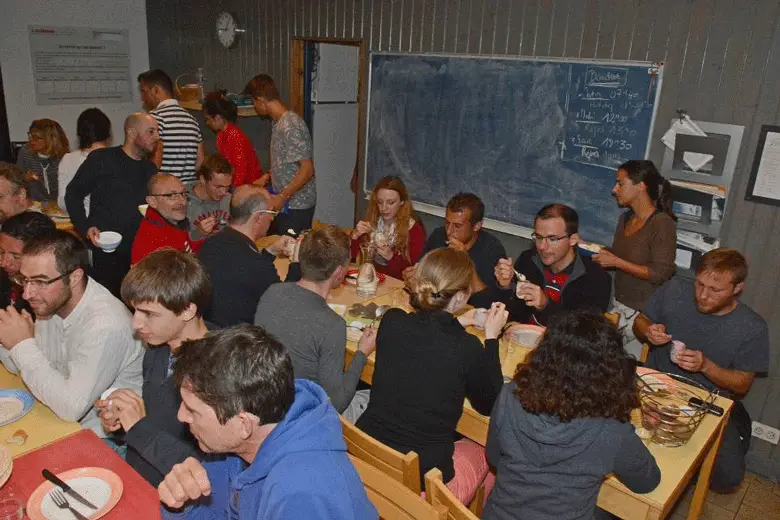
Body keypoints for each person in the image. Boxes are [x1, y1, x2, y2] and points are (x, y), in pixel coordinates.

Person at [157, 324, 378, 519]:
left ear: (243, 424)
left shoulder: (301, 498)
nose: (180, 416)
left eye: (193, 411)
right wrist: (182, 504)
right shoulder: (234, 446)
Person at [357, 248, 507, 503]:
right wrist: (492, 337)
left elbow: (428, 342)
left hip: (369, 456)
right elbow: (490, 404)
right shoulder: (467, 348)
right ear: (461, 296)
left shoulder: (392, 321)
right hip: (423, 481)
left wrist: (460, 321)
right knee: (489, 451)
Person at [483, 310, 660, 520]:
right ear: (612, 370)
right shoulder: (611, 428)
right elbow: (646, 482)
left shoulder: (511, 395)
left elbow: (494, 458)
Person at [634, 248, 768, 493]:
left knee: (728, 478)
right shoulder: (675, 290)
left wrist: (706, 366)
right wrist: (649, 331)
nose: (703, 296)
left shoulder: (752, 327)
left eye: (715, 290)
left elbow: (742, 385)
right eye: (699, 284)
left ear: (737, 288)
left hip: (704, 402)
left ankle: (685, 475)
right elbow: (640, 321)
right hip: (654, 384)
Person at [0, 231, 143, 437]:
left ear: (75, 277)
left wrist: (22, 345)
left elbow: (70, 407)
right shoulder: (53, 301)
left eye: (40, 281)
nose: (27, 293)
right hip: (58, 418)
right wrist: (12, 340)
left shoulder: (106, 325)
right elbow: (21, 366)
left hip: (104, 439)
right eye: (24, 280)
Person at [95, 249, 210, 487]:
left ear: (188, 310)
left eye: (149, 313)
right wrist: (122, 423)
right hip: (138, 477)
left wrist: (138, 427)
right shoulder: (158, 350)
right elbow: (157, 425)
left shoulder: (217, 371)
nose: (136, 323)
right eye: (135, 310)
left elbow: (205, 473)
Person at [255, 226, 377, 420]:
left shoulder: (272, 292)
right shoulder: (331, 325)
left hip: (265, 402)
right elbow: (337, 404)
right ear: (339, 272)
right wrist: (362, 353)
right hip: (300, 418)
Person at [65, 113, 159, 297]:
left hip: (141, 253)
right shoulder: (102, 159)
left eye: (157, 132)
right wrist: (85, 226)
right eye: (151, 131)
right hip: (107, 251)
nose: (157, 136)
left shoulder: (150, 169)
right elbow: (73, 193)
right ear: (132, 132)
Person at [592, 160, 677, 359]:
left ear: (641, 186)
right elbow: (621, 256)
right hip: (618, 306)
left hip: (644, 317)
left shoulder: (662, 223)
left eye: (621, 183)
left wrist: (616, 262)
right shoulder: (625, 219)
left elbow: (660, 273)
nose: (615, 190)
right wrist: (588, 246)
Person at [197, 185, 298, 327]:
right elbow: (284, 305)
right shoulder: (255, 264)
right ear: (258, 218)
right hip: (242, 340)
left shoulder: (211, 243)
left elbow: (244, 270)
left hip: (210, 331)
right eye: (271, 212)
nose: (272, 218)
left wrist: (270, 252)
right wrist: (296, 263)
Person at [493, 204, 611, 325]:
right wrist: (505, 286)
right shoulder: (528, 260)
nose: (542, 246)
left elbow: (583, 333)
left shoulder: (595, 278)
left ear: (573, 239)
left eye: (552, 239)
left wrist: (545, 305)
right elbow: (513, 313)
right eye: (538, 237)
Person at [244, 74, 316, 233]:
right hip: (287, 204)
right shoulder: (278, 123)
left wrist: (282, 197)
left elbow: (307, 169)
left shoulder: (289, 125)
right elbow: (284, 162)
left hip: (296, 206)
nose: (255, 107)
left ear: (261, 100)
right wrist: (266, 177)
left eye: (253, 102)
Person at [410, 193, 506, 308]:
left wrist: (466, 260)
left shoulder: (492, 249)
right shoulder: (438, 236)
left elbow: (486, 304)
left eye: (457, 226)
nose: (449, 231)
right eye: (447, 223)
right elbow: (420, 276)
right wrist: (412, 277)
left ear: (477, 226)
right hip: (437, 308)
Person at [350, 175, 425, 280]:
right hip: (374, 281)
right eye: (380, 202)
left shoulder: (414, 230)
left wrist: (391, 257)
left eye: (390, 202)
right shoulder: (372, 222)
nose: (384, 208)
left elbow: (411, 275)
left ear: (402, 202)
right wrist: (355, 236)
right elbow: (350, 258)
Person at [138, 69, 204, 184]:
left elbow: (151, 163)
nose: (143, 98)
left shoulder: (154, 118)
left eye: (144, 92)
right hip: (188, 192)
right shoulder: (191, 119)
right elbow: (200, 160)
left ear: (155, 90)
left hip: (165, 192)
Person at [131, 174, 203, 265]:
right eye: (171, 195)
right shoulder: (153, 244)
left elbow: (187, 251)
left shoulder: (171, 220)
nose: (183, 202)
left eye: (183, 193)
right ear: (153, 201)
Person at [202, 92, 263, 187]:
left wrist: (232, 190)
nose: (207, 123)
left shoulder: (234, 136)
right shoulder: (221, 136)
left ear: (217, 118)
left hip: (250, 184)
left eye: (207, 119)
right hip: (235, 183)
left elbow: (241, 170)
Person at [57, 108, 112, 213]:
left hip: (80, 223)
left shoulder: (68, 159)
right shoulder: (117, 158)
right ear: (107, 133)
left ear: (80, 133)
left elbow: (63, 203)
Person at [0, 212, 56, 314]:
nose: (3, 263)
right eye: (2, 252)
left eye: (16, 256)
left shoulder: (50, 295)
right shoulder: (5, 274)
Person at [15, 119, 69, 202]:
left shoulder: (64, 156)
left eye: (36, 138)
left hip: (60, 204)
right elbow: (15, 181)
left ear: (51, 139)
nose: (31, 140)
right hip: (34, 205)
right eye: (30, 136)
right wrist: (25, 178)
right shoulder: (25, 152)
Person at [187, 154, 233, 241]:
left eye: (227, 187)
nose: (224, 192)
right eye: (218, 186)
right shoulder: (183, 202)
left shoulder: (229, 199)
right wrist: (198, 232)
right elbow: (178, 243)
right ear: (203, 180)